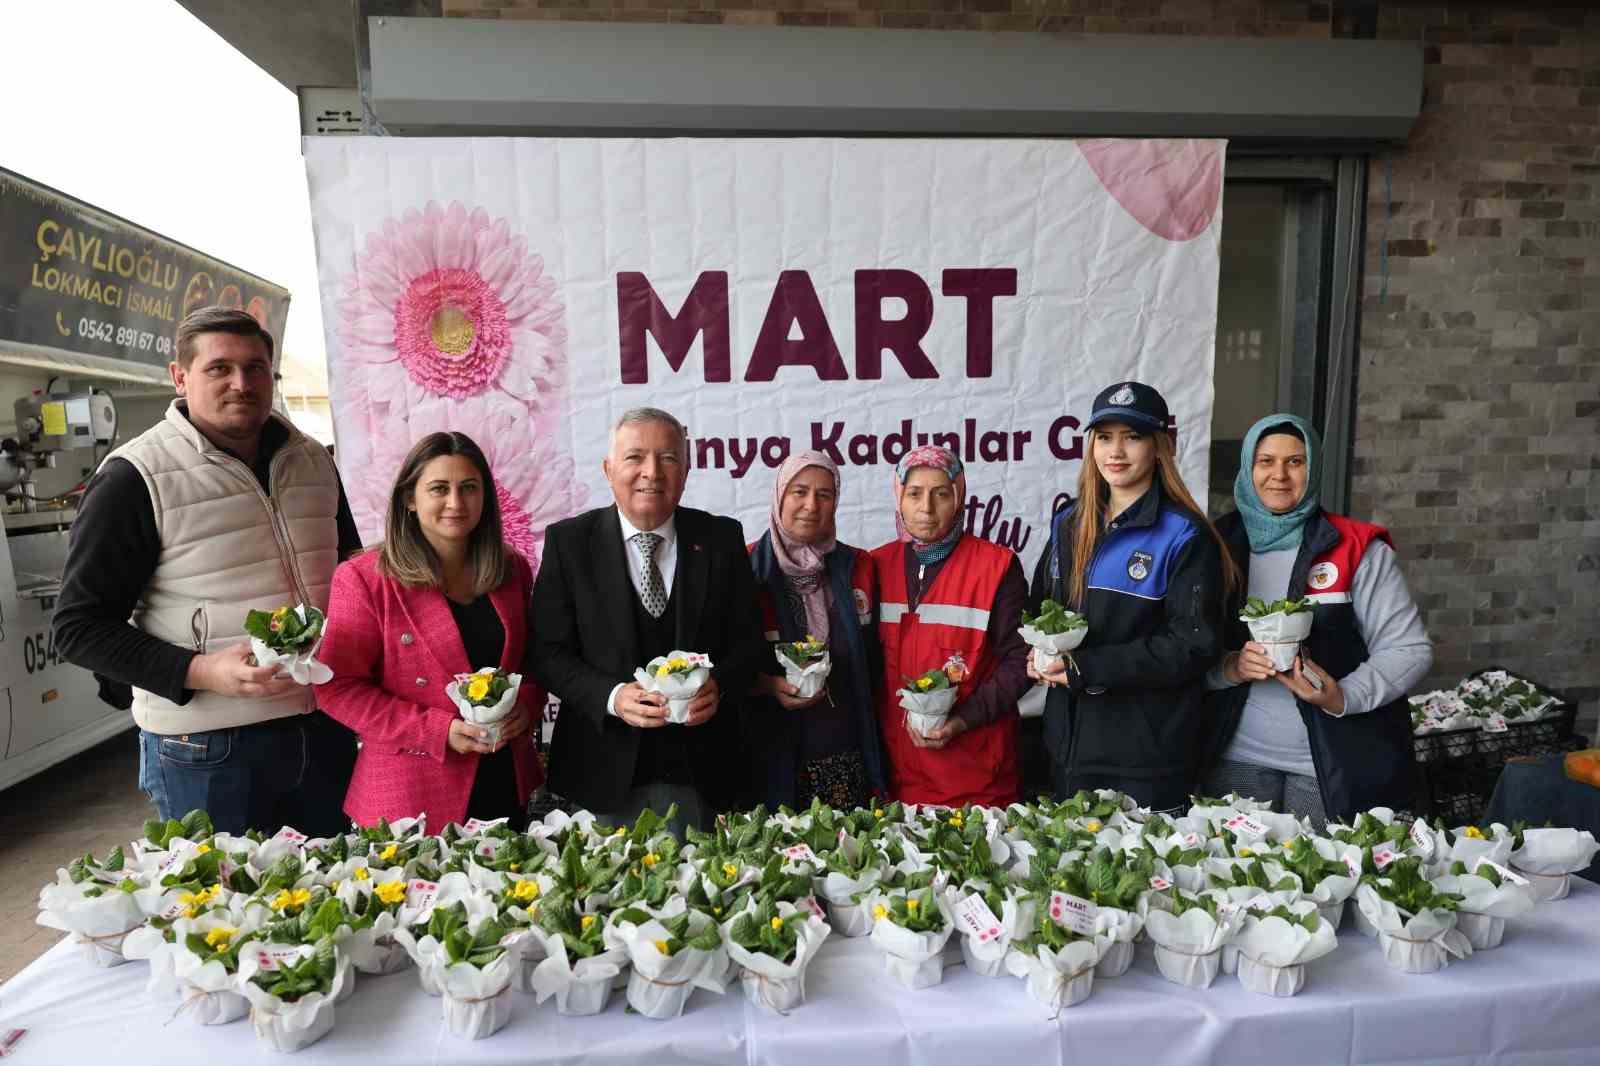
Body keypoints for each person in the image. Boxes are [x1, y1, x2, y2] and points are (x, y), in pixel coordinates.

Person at [54, 306, 359, 836]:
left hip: (323, 729)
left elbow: (351, 573)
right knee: (227, 914)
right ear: (180, 376)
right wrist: (202, 670)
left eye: (256, 367)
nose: (242, 383)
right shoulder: (135, 476)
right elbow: (77, 628)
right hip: (209, 751)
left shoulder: (312, 460)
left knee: (338, 912)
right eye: (219, 368)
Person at [530, 407, 766, 832]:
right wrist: (612, 695)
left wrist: (721, 686)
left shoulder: (721, 538)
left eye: (668, 458)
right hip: (599, 773)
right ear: (608, 469)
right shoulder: (569, 543)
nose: (652, 472)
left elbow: (749, 644)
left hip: (705, 773)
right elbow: (547, 653)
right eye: (635, 457)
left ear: (687, 470)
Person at [1198, 414, 1431, 825]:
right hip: (1233, 758)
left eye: (1296, 462)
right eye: (1265, 461)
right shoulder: (1210, 546)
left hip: (1329, 765)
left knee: (1319, 885)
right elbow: (1183, 649)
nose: (1279, 475)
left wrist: (1342, 696)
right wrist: (1228, 668)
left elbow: (1409, 649)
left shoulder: (1356, 547)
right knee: (1236, 881)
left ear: (1315, 468)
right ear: (1247, 469)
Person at [315, 432, 543, 829]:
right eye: (439, 488)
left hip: (504, 781)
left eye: (469, 488)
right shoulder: (363, 578)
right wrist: (438, 731)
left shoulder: (512, 570)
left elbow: (535, 660)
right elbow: (336, 688)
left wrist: (527, 703)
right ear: (409, 499)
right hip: (411, 797)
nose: (456, 502)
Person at [1028, 381, 1233, 812]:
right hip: (1067, 751)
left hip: (1147, 757)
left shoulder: (1185, 534)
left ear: (1160, 446)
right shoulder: (1068, 523)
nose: (1115, 452)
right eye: (1104, 438)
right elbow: (1039, 610)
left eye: (1132, 436)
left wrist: (1088, 667)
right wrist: (1035, 652)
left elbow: (1193, 647)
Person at [872, 446, 1032, 808]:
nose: (926, 507)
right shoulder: (875, 565)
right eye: (914, 494)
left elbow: (1020, 662)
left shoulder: (997, 567)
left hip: (975, 777)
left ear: (959, 499)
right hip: (895, 778)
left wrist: (962, 720)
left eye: (941, 494)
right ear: (899, 498)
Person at [749, 451, 884, 810]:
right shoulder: (746, 566)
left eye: (824, 495)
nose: (811, 505)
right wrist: (767, 685)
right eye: (800, 492)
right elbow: (728, 660)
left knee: (850, 861)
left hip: (844, 752)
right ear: (780, 495)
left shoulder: (859, 566)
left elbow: (876, 660)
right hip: (770, 758)